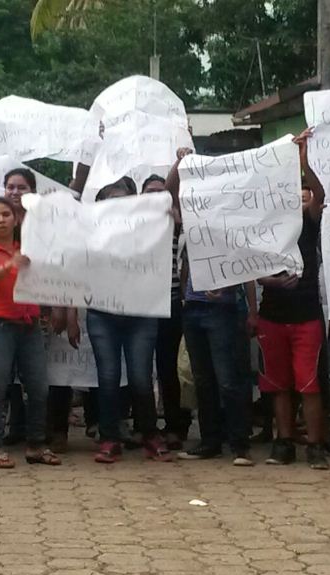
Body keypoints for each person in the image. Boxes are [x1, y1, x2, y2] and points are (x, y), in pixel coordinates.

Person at [167, 148, 258, 467]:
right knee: (202, 378)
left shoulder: (233, 222)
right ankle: (210, 441)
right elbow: (169, 193)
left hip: (223, 310)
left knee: (228, 378)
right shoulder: (190, 218)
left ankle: (239, 444)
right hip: (192, 308)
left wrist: (252, 311)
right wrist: (180, 162)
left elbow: (245, 268)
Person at [257, 130, 330, 470]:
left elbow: (320, 192)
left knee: (309, 383)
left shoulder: (310, 221)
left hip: (305, 315)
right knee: (278, 384)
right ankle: (283, 442)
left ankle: (314, 445)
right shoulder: (264, 224)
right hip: (271, 312)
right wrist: (267, 280)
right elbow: (252, 266)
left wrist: (303, 161)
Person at [88, 179, 174, 463]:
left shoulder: (150, 231)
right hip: (103, 315)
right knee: (108, 378)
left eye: (126, 200)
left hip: (141, 314)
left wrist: (168, 215)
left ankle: (148, 433)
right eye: (113, 200)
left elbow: (174, 216)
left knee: (140, 377)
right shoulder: (89, 235)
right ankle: (110, 438)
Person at [0, 196, 58, 468]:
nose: (1, 220)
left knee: (38, 388)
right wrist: (10, 265)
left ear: (15, 219)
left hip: (29, 325)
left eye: (5, 215)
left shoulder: (27, 248)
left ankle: (36, 444)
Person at [142, 174, 190, 448]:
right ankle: (145, 426)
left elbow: (172, 187)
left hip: (170, 303)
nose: (156, 196)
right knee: (140, 370)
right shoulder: (130, 225)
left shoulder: (172, 222)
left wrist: (179, 163)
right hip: (140, 305)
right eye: (150, 192)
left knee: (169, 368)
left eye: (161, 192)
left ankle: (175, 426)